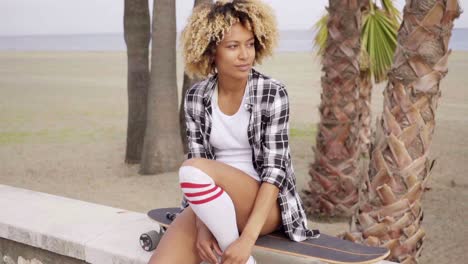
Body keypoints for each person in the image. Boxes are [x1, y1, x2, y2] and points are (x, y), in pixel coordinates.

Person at [148, 1, 318, 263]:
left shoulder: (272, 93)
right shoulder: (197, 96)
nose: (245, 55)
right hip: (210, 204)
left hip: (265, 206)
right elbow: (200, 156)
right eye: (233, 46)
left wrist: (245, 241)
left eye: (249, 44)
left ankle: (240, 259)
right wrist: (204, 228)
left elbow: (275, 172)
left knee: (191, 169)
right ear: (211, 51)